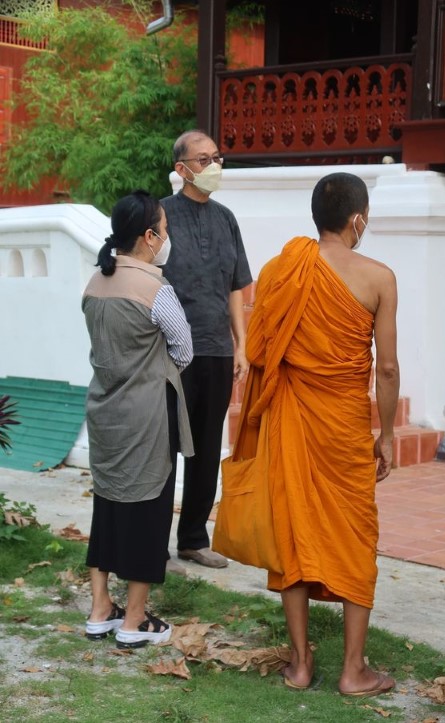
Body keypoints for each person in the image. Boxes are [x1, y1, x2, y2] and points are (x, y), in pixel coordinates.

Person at [239, 172, 399, 694]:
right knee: (356, 535)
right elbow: (387, 369)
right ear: (358, 220)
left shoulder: (280, 269)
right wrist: (387, 435)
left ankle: (301, 663)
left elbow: (261, 351)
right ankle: (354, 669)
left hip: (292, 420)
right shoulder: (379, 278)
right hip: (345, 427)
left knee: (292, 530)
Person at [82, 190, 194, 649]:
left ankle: (99, 609)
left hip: (103, 410)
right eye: (163, 229)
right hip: (147, 415)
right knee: (148, 510)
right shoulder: (155, 289)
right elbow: (184, 350)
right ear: (149, 237)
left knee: (107, 506)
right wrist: (150, 369)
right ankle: (134, 620)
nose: (166, 237)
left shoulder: (95, 283)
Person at [161, 130, 253, 569]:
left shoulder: (227, 218)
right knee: (163, 447)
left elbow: (236, 286)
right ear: (182, 170)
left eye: (217, 157)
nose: (213, 165)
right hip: (170, 351)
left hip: (216, 349)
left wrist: (241, 344)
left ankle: (193, 539)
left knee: (206, 447)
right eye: (203, 159)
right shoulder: (161, 215)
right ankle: (151, 539)